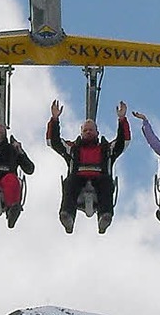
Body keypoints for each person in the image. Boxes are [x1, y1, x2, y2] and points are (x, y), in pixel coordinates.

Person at [46, 99, 130, 234]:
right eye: (85, 130)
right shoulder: (73, 149)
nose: (88, 132)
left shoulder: (106, 149)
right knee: (70, 182)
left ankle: (104, 216)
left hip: (100, 178)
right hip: (78, 177)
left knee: (106, 182)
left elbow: (123, 142)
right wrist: (54, 119)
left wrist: (122, 119)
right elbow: (53, 142)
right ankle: (67, 216)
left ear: (97, 132)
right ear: (81, 132)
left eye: (91, 130)